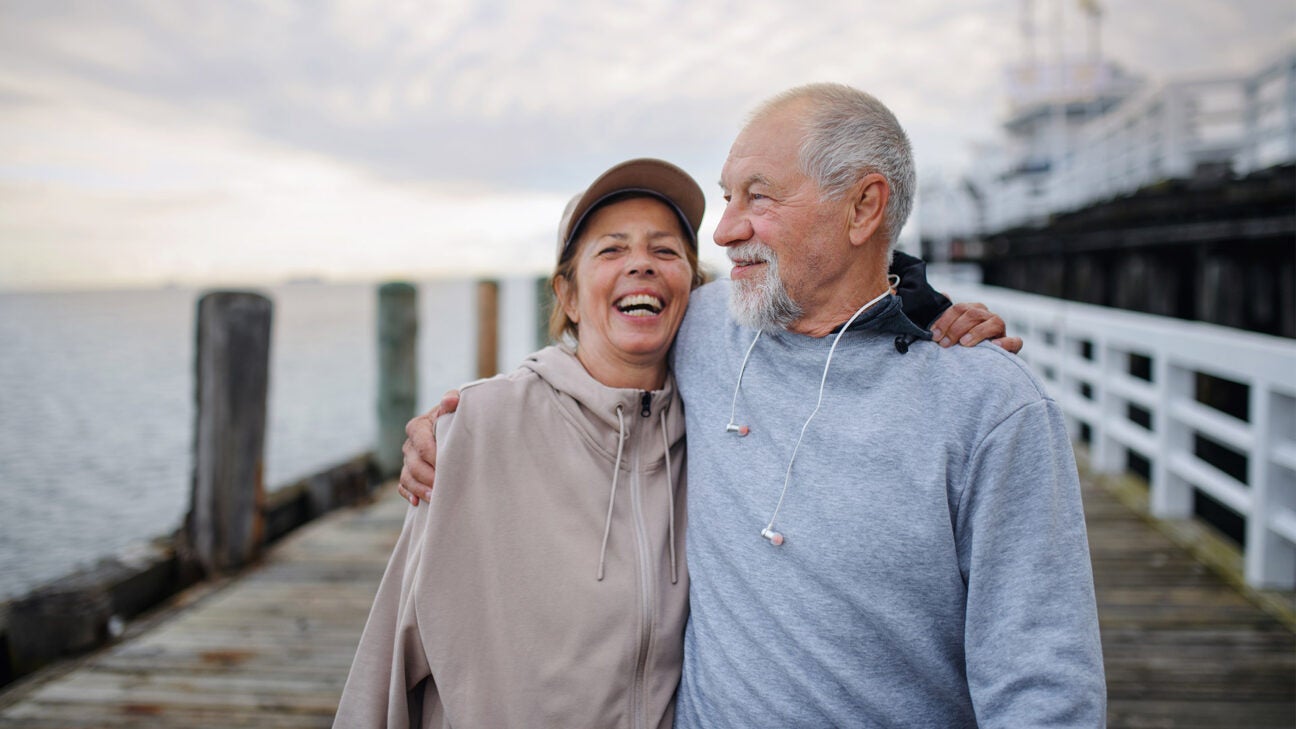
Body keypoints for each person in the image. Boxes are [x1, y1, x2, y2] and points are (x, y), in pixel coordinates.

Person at [399, 83, 1105, 727]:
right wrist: (467, 419)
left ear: (864, 207)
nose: (725, 229)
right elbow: (599, 351)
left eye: (757, 198)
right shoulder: (706, 326)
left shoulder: (987, 405)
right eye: (727, 196)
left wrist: (931, 313)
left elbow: (1044, 689)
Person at [334, 158, 703, 727]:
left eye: (665, 250)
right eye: (611, 250)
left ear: (694, 290)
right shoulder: (475, 427)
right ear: (569, 297)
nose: (641, 265)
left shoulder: (717, 434)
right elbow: (388, 655)